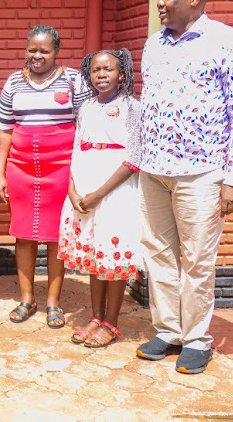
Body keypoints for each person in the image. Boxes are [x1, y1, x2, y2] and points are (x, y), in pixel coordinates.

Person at [137, 0, 233, 374]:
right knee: (159, 255)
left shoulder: (227, 43)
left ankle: (197, 339)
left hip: (201, 174)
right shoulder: (154, 45)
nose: (160, 4)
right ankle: (168, 331)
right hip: (153, 171)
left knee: (198, 261)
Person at [0, 25, 90, 328]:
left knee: (55, 237)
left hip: (61, 169)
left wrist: (82, 174)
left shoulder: (74, 80)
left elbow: (86, 125)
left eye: (44, 51)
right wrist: (0, 171)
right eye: (32, 50)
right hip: (20, 169)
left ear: (56, 52)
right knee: (23, 236)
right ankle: (27, 298)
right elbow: (6, 130)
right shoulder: (13, 82)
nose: (37, 56)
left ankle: (52, 301)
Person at [58, 48, 144, 348]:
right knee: (96, 258)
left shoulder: (133, 108)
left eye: (108, 70)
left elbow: (133, 159)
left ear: (122, 74)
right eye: (96, 70)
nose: (101, 75)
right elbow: (76, 149)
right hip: (84, 190)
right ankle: (95, 316)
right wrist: (72, 189)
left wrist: (100, 194)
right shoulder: (85, 108)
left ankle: (112, 322)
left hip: (115, 194)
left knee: (113, 259)